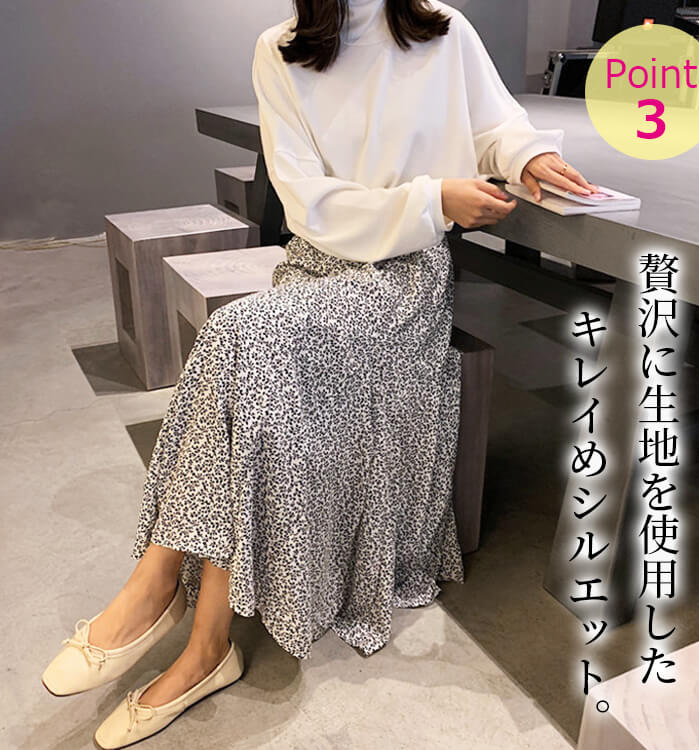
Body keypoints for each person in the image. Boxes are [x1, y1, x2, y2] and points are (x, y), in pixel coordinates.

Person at [41, 1, 595, 747]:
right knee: (247, 362)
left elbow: (495, 124)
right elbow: (306, 203)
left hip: (402, 283)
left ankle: (163, 589)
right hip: (315, 268)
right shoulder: (280, 50)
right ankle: (199, 639)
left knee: (239, 338)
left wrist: (525, 158)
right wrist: (433, 197)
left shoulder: (443, 29)